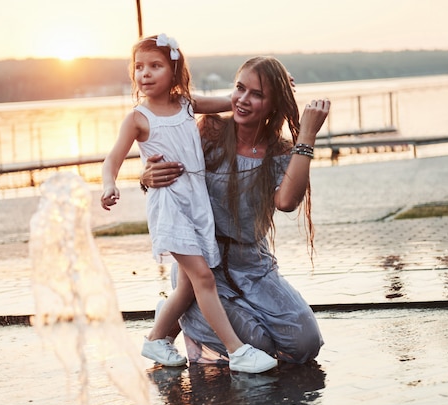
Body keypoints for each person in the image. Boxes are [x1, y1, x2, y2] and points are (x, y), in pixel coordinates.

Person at [101, 35, 278, 374]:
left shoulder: (185, 105)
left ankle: (156, 339)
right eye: (139, 67)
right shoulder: (138, 118)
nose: (145, 74)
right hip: (169, 204)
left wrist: (272, 90)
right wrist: (109, 184)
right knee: (203, 278)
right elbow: (112, 159)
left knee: (186, 287)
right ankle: (237, 351)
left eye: (155, 66)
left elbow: (231, 101)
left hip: (196, 202)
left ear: (174, 69)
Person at [140, 56, 329, 365]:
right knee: (258, 346)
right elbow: (163, 147)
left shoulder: (280, 151)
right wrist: (145, 177)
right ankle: (179, 312)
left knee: (304, 343)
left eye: (257, 94)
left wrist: (306, 137)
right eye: (240, 88)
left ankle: (179, 314)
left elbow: (286, 202)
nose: (243, 99)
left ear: (273, 104)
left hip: (254, 266)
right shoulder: (210, 132)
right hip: (202, 271)